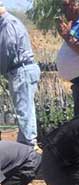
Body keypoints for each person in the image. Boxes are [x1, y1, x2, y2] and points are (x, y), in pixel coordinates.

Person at [0, 3, 41, 148]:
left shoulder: (7, 24)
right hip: (25, 69)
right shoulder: (11, 22)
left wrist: (1, 69)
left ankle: (30, 147)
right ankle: (25, 145)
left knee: (24, 111)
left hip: (20, 70)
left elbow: (6, 52)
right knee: (27, 109)